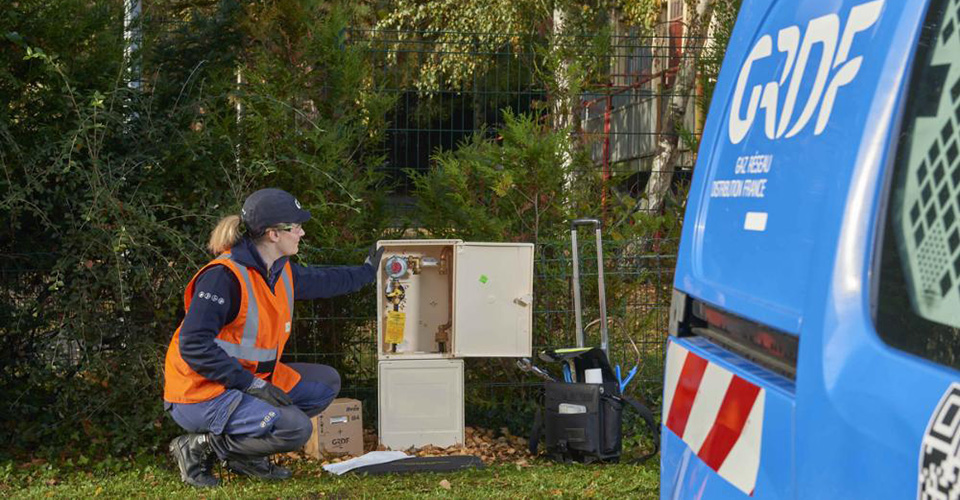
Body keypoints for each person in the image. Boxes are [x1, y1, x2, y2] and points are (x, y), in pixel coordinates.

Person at [163, 188, 383, 487]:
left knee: (324, 384)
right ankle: (199, 447)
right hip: (200, 393)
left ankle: (246, 454)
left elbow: (324, 280)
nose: (302, 233)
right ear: (273, 234)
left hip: (246, 383)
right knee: (296, 429)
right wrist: (251, 384)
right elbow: (193, 345)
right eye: (296, 227)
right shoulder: (223, 278)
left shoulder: (279, 272)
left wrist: (367, 273)